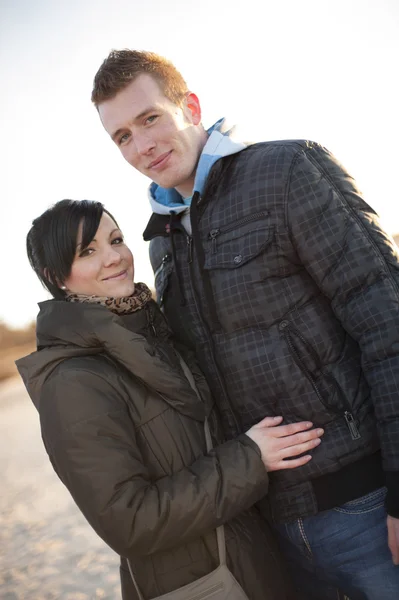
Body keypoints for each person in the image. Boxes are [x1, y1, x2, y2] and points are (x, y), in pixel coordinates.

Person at [90, 50, 399, 600]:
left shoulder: (286, 170)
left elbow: (387, 321)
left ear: (190, 106)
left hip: (365, 508)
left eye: (149, 119)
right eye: (121, 137)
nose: (141, 147)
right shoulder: (162, 238)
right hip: (269, 531)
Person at [16, 198, 325, 600]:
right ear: (56, 275)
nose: (114, 258)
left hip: (250, 564)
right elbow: (129, 521)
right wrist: (249, 458)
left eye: (116, 240)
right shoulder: (73, 381)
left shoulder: (151, 336)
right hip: (201, 585)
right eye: (88, 251)